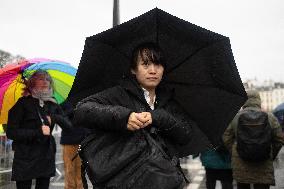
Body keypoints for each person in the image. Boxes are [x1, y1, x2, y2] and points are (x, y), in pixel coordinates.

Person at [74, 42, 195, 188]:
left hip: (164, 180)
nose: (153, 70)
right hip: (126, 181)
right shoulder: (119, 93)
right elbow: (82, 110)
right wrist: (124, 117)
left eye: (158, 65)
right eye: (145, 64)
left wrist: (159, 117)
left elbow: (185, 134)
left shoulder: (169, 101)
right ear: (133, 69)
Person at [6, 70, 72, 189]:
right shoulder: (22, 104)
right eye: (41, 79)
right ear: (32, 83)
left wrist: (54, 117)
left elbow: (68, 126)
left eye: (47, 79)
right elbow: (11, 132)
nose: (45, 81)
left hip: (45, 156)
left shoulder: (52, 103)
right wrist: (38, 132)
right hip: (25, 157)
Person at [223, 90, 284, 189]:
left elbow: (226, 137)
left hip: (241, 165)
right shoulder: (270, 117)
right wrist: (271, 153)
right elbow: (279, 139)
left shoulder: (235, 117)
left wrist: (235, 151)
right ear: (258, 100)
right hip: (263, 164)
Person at [60, 101, 89, 189]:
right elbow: (59, 117)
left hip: (82, 140)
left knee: (80, 171)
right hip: (69, 140)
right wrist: (72, 111)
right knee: (70, 171)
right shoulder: (64, 101)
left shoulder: (84, 98)